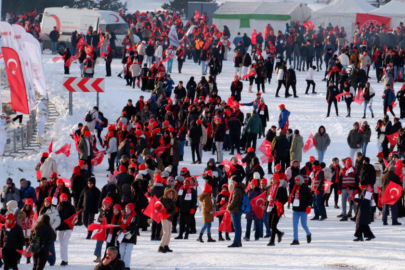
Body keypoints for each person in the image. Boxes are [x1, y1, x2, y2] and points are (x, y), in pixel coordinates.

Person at [265, 174, 288, 246]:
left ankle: (272, 241)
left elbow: (285, 198)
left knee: (273, 224)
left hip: (278, 208)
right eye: (272, 179)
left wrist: (280, 203)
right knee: (269, 224)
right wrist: (265, 206)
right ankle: (279, 233)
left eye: (274, 179)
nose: (273, 180)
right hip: (270, 207)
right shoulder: (270, 187)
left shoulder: (281, 188)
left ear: (277, 179)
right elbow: (267, 198)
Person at [290, 176, 312, 245]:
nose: (296, 182)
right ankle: (295, 239)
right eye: (295, 180)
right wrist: (291, 199)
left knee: (304, 224)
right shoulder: (294, 187)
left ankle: (308, 234)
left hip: (303, 209)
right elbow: (293, 196)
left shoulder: (305, 188)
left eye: (297, 180)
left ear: (301, 180)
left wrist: (309, 206)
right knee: (295, 225)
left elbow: (310, 198)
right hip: (296, 209)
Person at [56, 193, 76, 266]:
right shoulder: (58, 206)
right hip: (60, 227)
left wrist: (69, 221)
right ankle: (63, 259)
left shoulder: (71, 207)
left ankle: (65, 260)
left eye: (64, 198)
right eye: (62, 198)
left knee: (64, 243)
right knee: (61, 244)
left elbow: (74, 217)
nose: (63, 200)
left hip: (68, 227)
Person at [227, 176, 245, 248]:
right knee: (238, 226)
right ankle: (238, 241)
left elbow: (234, 200)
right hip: (238, 209)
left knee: (236, 227)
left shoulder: (237, 189)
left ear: (236, 182)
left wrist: (229, 207)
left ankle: (236, 241)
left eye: (232, 181)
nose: (231, 182)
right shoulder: (240, 188)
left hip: (235, 209)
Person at [118, 203, 137, 270]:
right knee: (121, 251)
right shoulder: (123, 216)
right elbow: (120, 224)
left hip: (131, 236)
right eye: (126, 209)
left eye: (128, 209)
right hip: (123, 236)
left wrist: (127, 228)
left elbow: (134, 226)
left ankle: (127, 265)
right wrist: (120, 230)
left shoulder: (135, 216)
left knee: (128, 251)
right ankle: (121, 264)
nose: (127, 210)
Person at [158, 188, 177, 253]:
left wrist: (169, 214)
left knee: (169, 233)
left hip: (169, 217)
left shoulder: (172, 200)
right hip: (163, 217)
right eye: (169, 193)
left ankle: (166, 245)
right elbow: (158, 207)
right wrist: (165, 214)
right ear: (166, 193)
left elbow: (174, 210)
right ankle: (161, 247)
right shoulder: (161, 199)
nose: (170, 195)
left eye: (172, 193)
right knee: (166, 233)